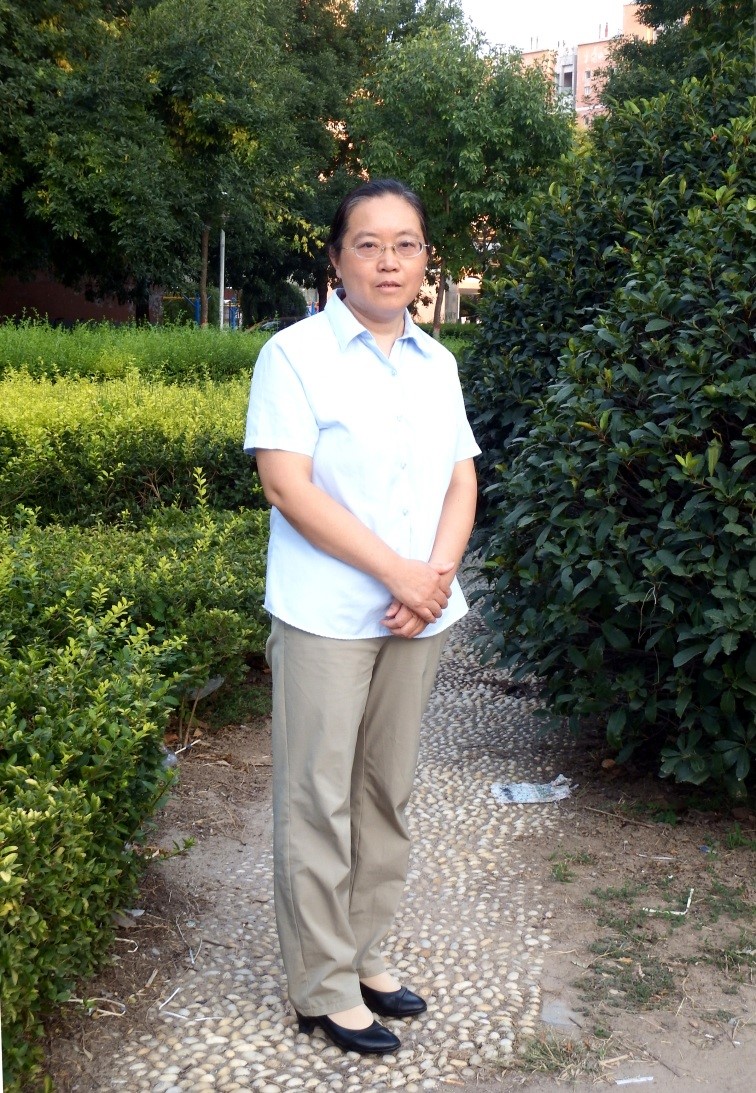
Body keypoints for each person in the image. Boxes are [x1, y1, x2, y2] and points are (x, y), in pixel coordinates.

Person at [243, 178, 480, 1055]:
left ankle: (365, 952)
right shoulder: (294, 355)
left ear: (425, 260)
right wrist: (400, 574)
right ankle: (322, 984)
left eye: (405, 244)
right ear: (337, 258)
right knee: (318, 796)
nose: (389, 261)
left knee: (386, 790)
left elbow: (461, 477)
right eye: (369, 244)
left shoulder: (437, 362)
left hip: (417, 614)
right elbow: (287, 485)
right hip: (328, 614)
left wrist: (434, 579)